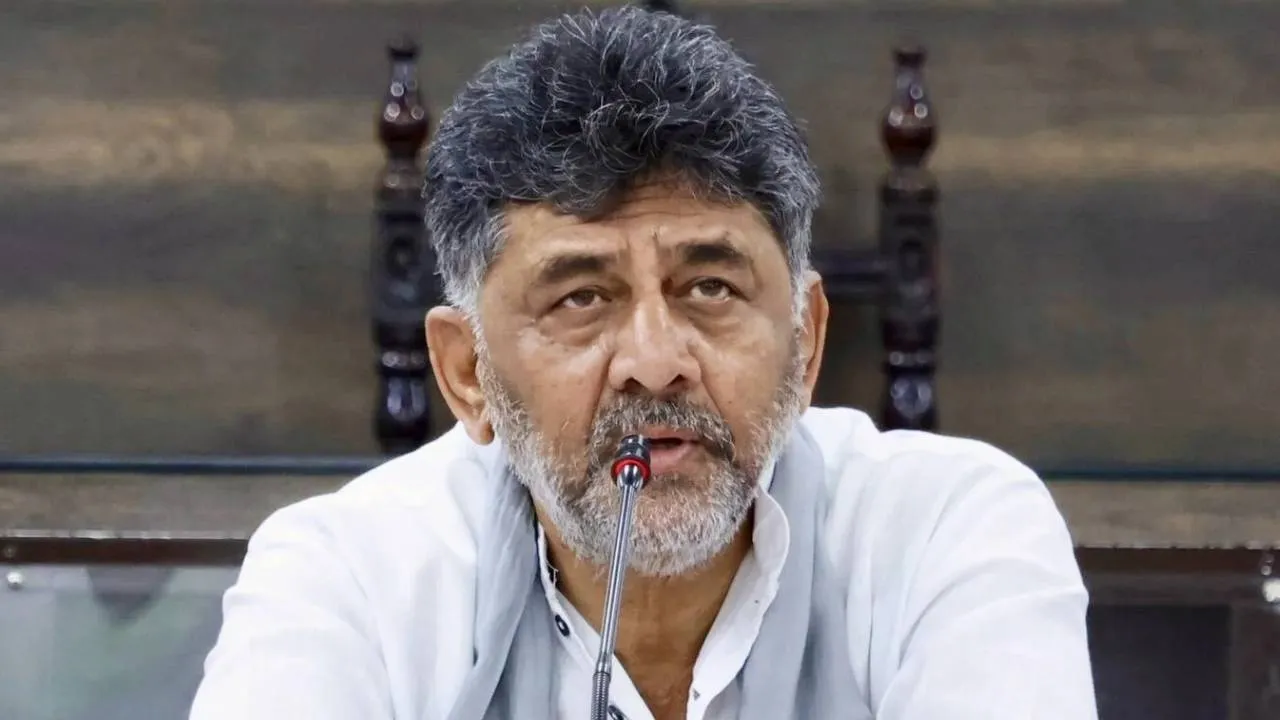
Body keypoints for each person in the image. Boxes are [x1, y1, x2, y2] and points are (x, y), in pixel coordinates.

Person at [189, 7, 1097, 720]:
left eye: (710, 287)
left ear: (806, 341)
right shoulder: (348, 575)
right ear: (468, 374)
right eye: (581, 299)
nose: (656, 365)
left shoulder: (946, 532)